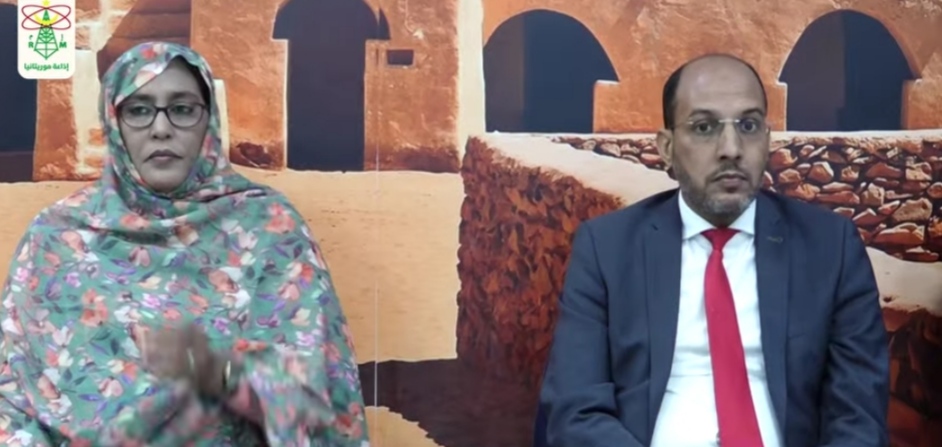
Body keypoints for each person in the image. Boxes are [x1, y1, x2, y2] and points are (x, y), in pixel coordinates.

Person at [0, 41, 370, 446]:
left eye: (182, 109)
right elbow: (12, 403)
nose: (161, 128)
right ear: (113, 121)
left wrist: (211, 367)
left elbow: (317, 403)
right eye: (138, 110)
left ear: (208, 120)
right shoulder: (57, 238)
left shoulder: (269, 229)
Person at [538, 53, 889, 447]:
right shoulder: (607, 248)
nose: (731, 149)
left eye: (748, 126)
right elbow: (576, 410)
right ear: (667, 147)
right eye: (704, 127)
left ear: (767, 139)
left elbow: (858, 415)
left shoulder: (830, 248)